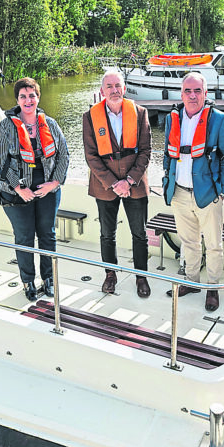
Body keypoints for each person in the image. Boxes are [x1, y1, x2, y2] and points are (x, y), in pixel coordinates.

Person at [161, 72, 224, 312]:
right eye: (187, 91)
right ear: (181, 93)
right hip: (179, 192)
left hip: (208, 193)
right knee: (188, 241)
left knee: (214, 244)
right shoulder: (172, 119)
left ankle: (212, 287)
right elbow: (166, 154)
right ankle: (191, 281)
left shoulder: (220, 120)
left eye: (197, 91)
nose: (192, 96)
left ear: (206, 93)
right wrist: (166, 180)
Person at [0, 77, 70, 301]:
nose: (28, 100)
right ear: (17, 99)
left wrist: (54, 183)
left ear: (38, 97)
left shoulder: (51, 124)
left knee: (47, 234)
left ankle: (49, 278)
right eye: (23, 96)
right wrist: (19, 188)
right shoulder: (6, 126)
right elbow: (0, 161)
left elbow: (63, 155)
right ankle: (28, 281)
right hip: (17, 193)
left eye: (32, 95)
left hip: (48, 190)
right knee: (24, 237)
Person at [83, 71, 152, 297]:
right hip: (105, 186)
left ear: (124, 88)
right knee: (106, 234)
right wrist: (114, 183)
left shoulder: (140, 114)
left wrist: (130, 180)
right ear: (102, 91)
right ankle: (110, 275)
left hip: (136, 184)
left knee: (139, 233)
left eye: (117, 85)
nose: (114, 90)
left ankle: (141, 277)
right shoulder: (90, 117)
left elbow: (145, 151)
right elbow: (91, 156)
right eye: (109, 86)